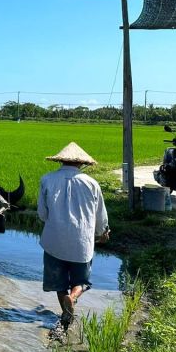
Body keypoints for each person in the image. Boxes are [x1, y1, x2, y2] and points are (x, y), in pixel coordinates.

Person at [37, 142, 110, 331]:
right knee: (81, 282)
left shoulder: (47, 179)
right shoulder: (91, 183)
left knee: (59, 283)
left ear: (61, 160)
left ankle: (65, 313)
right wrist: (102, 233)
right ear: (81, 163)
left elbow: (42, 214)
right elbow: (100, 214)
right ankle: (74, 297)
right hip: (82, 243)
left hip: (54, 241)